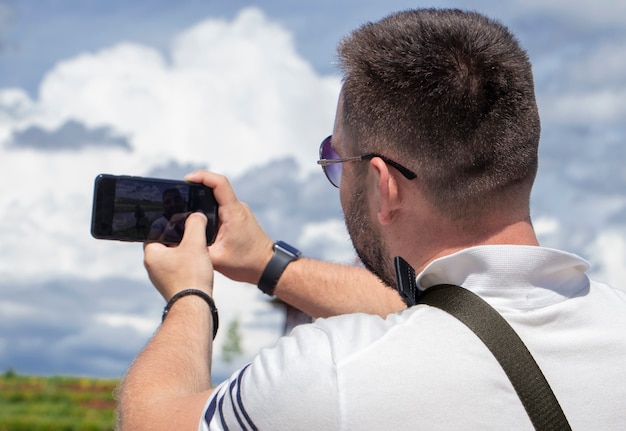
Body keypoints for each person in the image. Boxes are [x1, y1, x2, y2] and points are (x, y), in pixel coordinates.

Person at [117, 8, 626, 430]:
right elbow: (448, 310)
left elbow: (150, 419)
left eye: (335, 158)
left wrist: (190, 295)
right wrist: (265, 263)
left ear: (383, 186)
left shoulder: (327, 375)